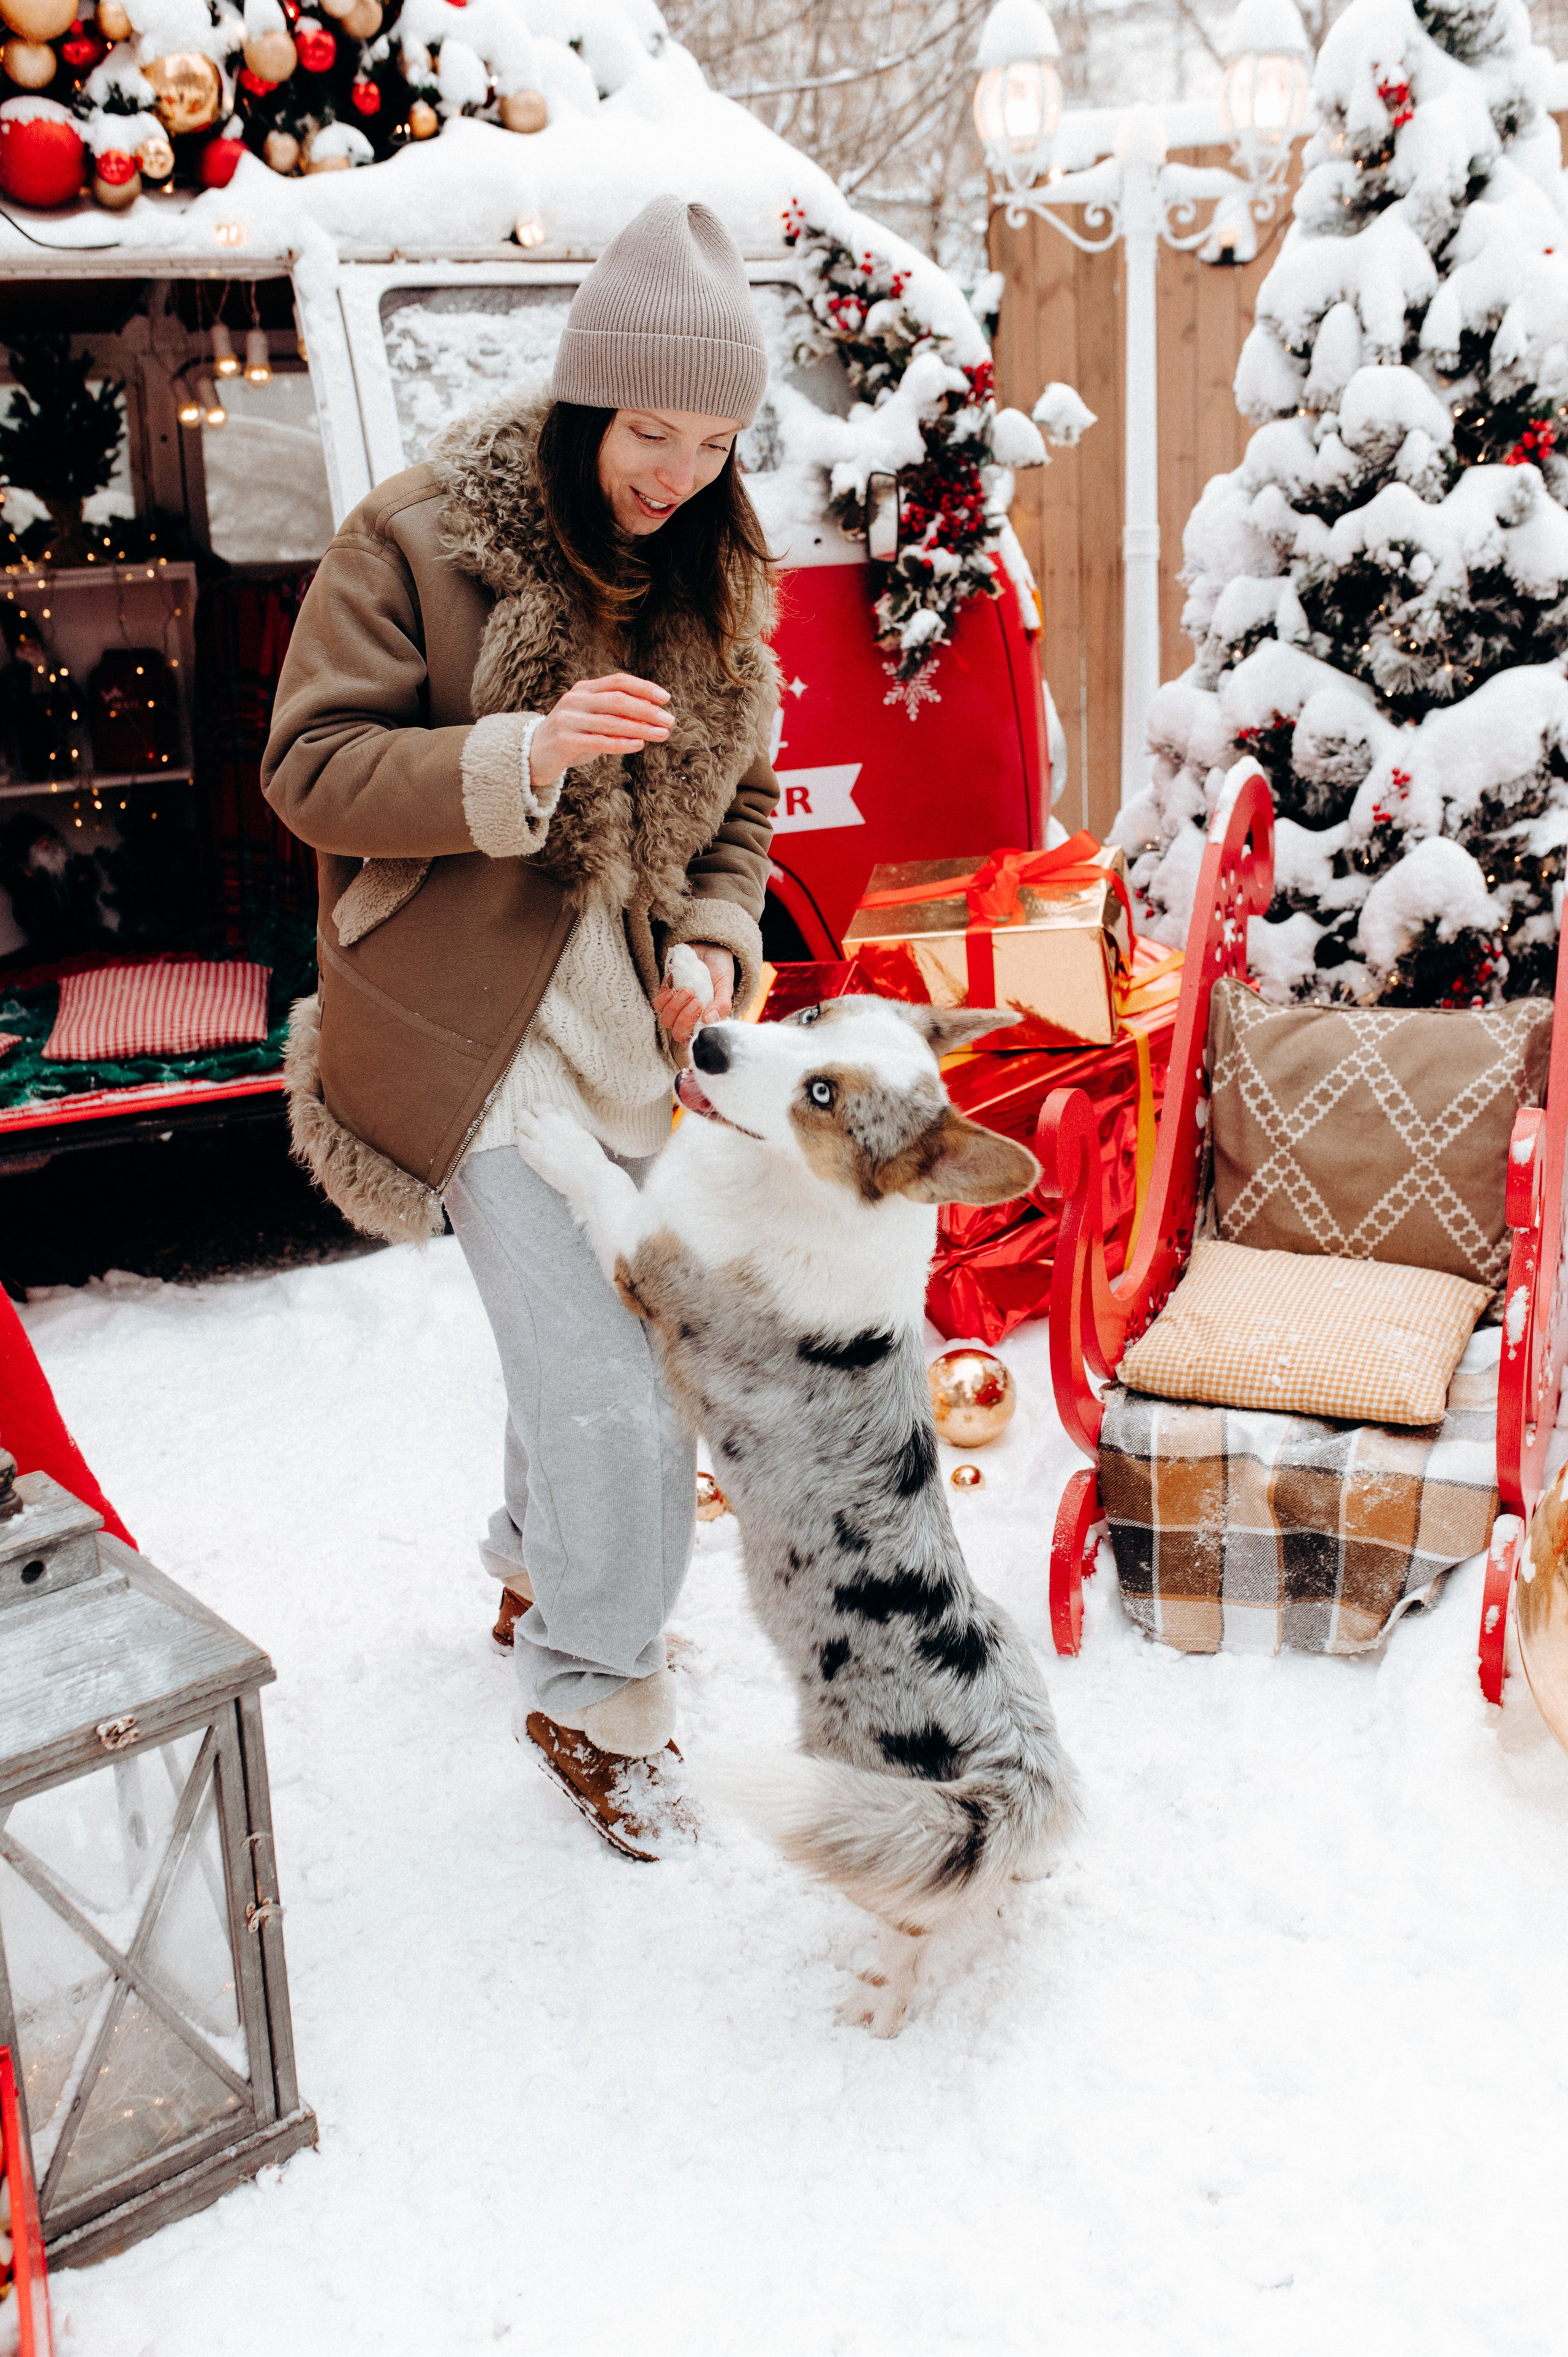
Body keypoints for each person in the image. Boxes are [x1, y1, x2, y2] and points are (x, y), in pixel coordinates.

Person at [262, 196, 779, 1856]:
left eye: (714, 441)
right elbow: (310, 770)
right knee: (627, 1401)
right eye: (648, 431)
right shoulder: (414, 539)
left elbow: (737, 813)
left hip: (622, 1037)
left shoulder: (709, 571)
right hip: (459, 1031)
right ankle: (592, 1688)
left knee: (576, 1358)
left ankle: (534, 1564)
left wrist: (705, 936)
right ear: (581, 403)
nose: (678, 471)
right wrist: (528, 755)